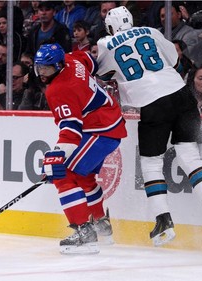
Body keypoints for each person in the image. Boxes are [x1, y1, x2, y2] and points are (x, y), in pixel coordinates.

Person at [97, 7, 202, 247]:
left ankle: (163, 222)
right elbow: (176, 60)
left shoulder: (106, 43)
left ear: (110, 27)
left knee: (151, 163)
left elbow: (104, 74)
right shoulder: (149, 30)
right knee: (189, 155)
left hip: (151, 102)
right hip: (181, 94)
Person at [34, 43, 127, 254]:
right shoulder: (70, 59)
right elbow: (90, 61)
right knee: (83, 177)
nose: (42, 73)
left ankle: (84, 232)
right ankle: (101, 224)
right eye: (39, 67)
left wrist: (56, 157)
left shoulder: (59, 90)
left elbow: (71, 130)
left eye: (47, 68)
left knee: (64, 174)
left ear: (57, 66)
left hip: (100, 129)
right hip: (106, 121)